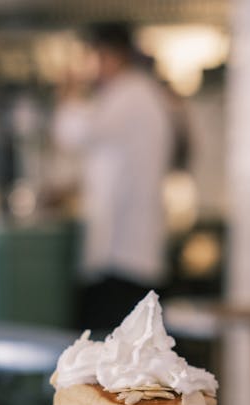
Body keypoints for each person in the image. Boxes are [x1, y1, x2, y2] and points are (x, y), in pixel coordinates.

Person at [52, 23, 174, 331]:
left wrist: (68, 91)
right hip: (126, 248)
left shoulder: (130, 95)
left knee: (111, 348)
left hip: (124, 251)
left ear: (108, 56)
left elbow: (74, 133)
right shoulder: (138, 95)